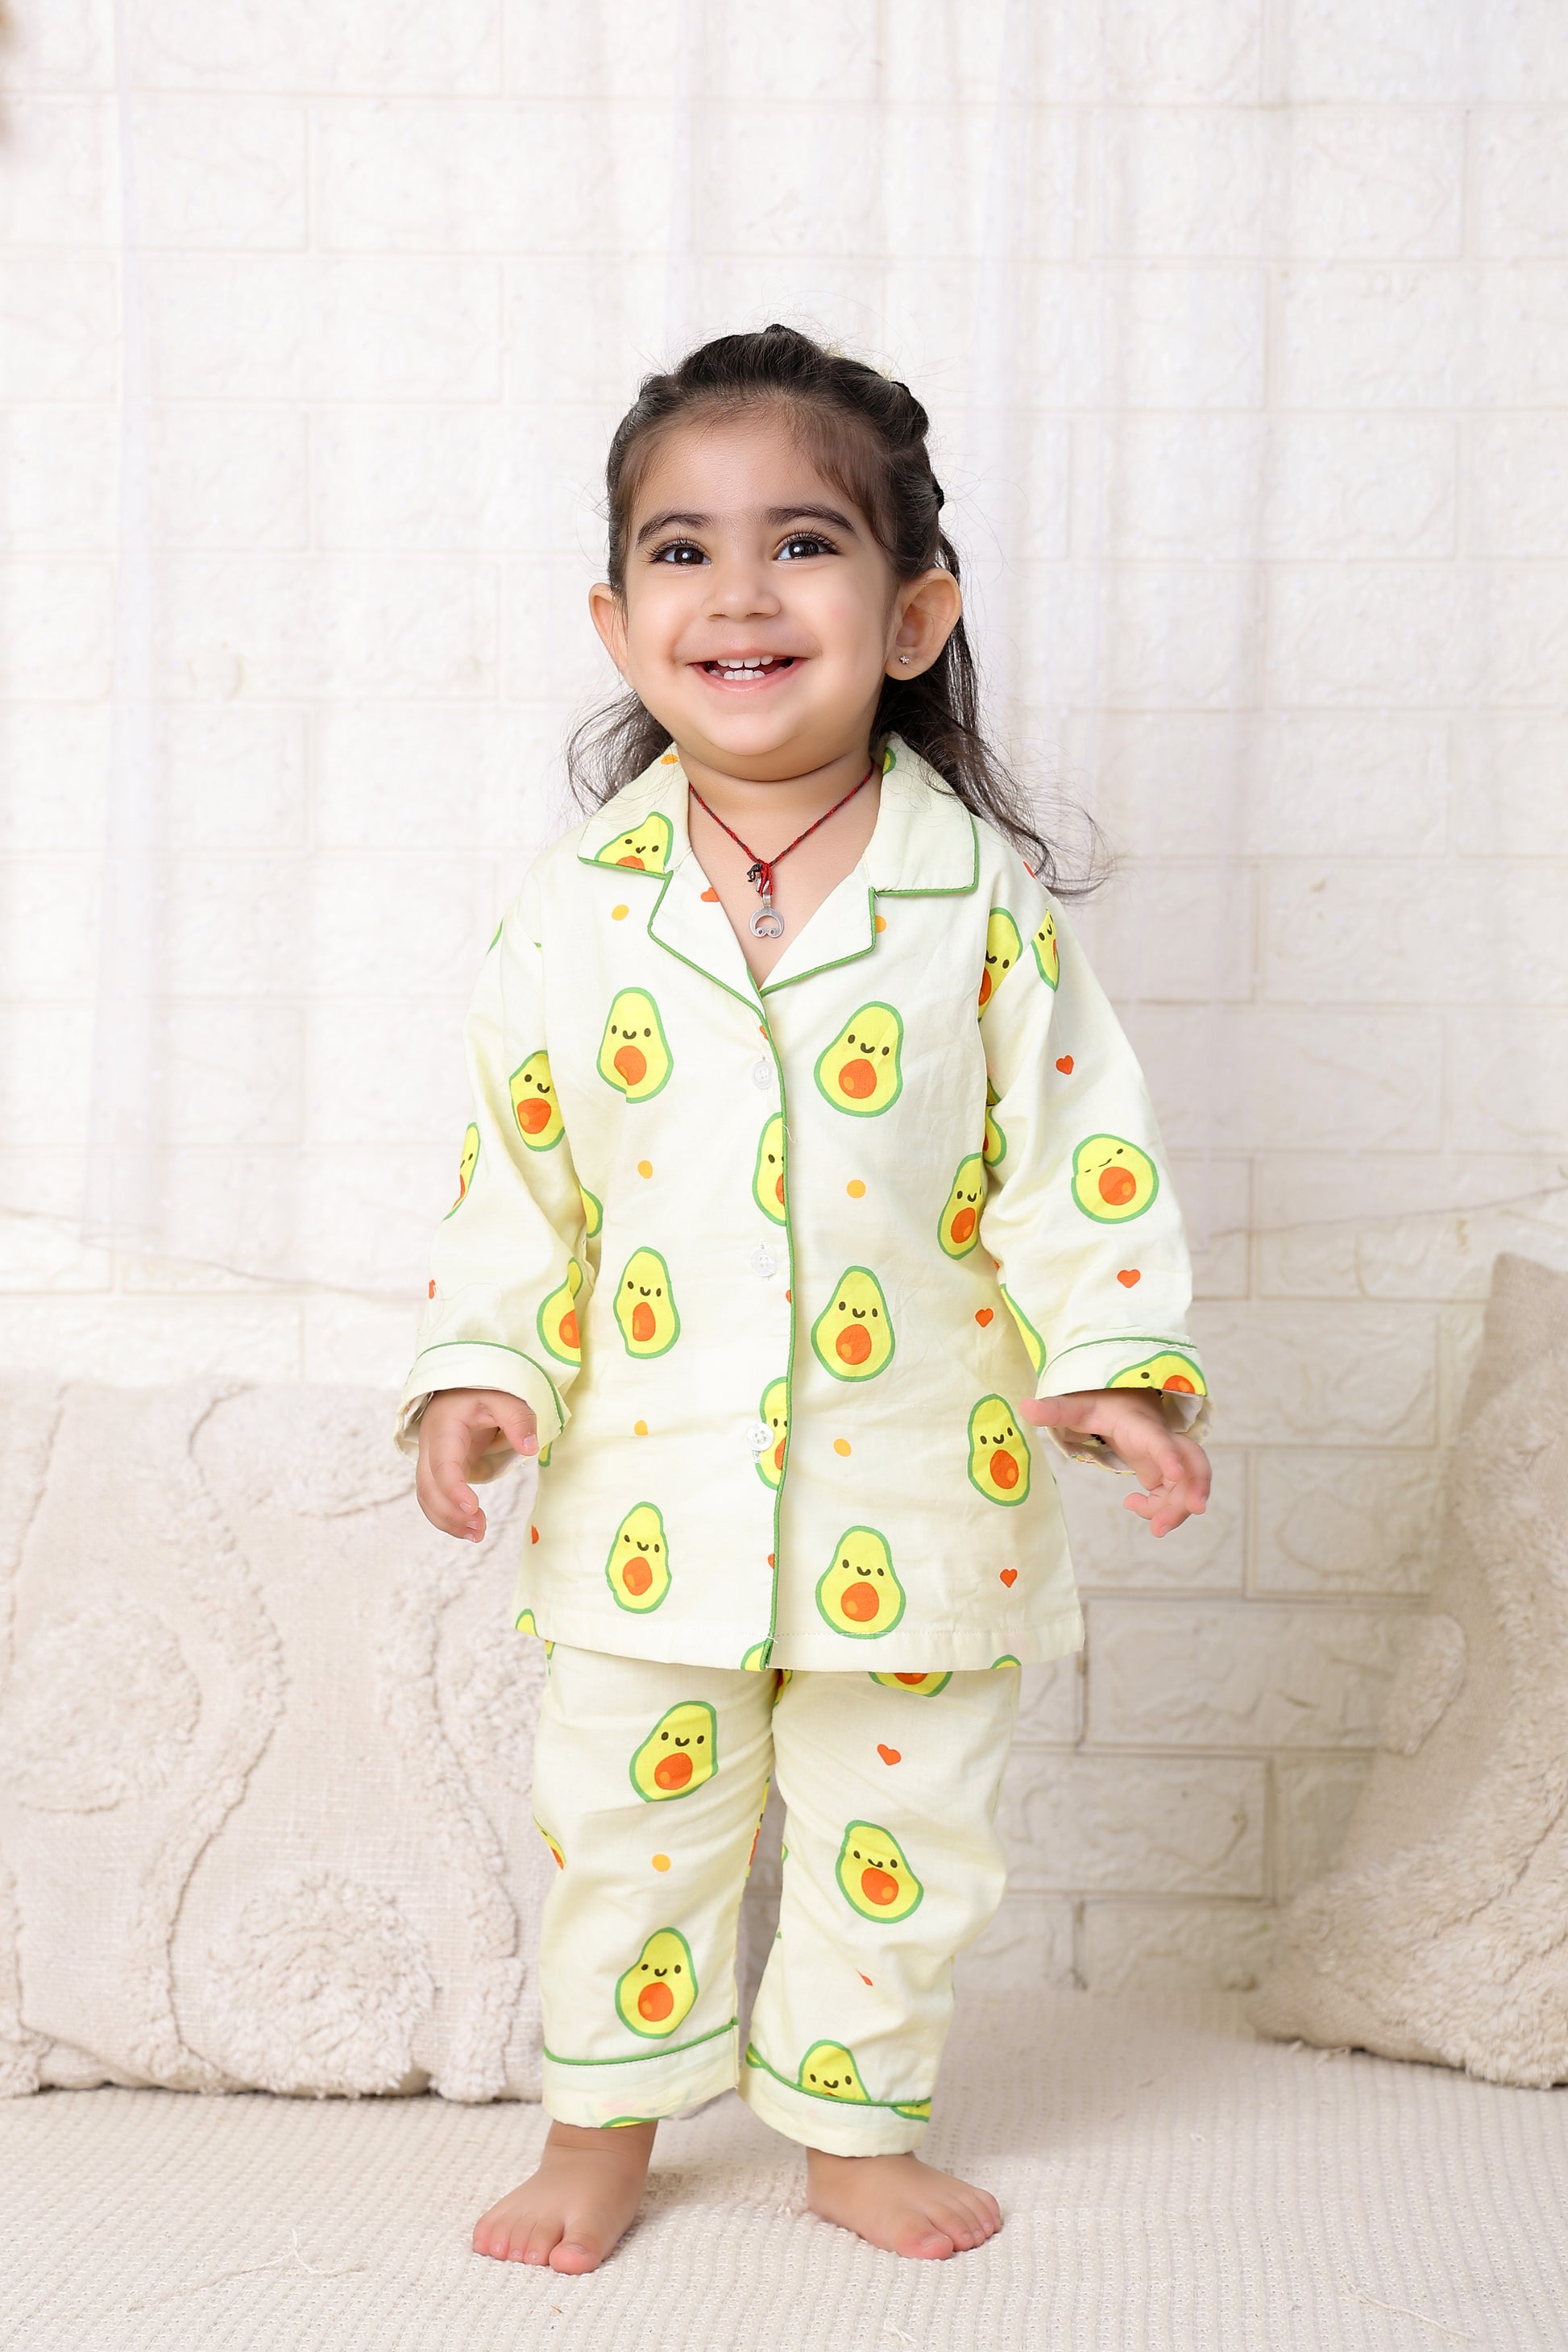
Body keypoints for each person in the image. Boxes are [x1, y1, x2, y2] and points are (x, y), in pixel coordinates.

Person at [400, 323, 1212, 2273]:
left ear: (912, 614)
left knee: (896, 1834)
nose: (742, 592)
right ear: (619, 625)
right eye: (682, 551)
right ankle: (601, 2124)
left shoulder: (977, 903)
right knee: (628, 1825)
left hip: (918, 1483)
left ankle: (855, 2127)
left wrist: (1115, 1364)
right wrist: (480, 1370)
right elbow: (518, 1175)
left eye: (804, 544)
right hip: (647, 1482)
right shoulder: (573, 912)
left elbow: (1073, 1155)